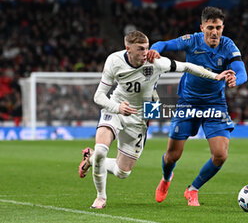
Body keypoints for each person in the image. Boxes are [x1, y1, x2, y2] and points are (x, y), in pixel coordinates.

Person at [78, 30, 235, 209]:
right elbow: (98, 96)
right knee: (101, 150)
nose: (145, 52)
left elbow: (188, 67)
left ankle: (90, 160)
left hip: (139, 117)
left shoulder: (156, 63)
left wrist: (217, 76)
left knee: (123, 172)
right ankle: (101, 198)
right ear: (127, 48)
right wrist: (117, 108)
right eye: (140, 49)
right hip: (115, 108)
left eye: (146, 48)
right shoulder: (114, 61)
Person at [147, 7, 248, 206]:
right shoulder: (192, 40)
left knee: (220, 155)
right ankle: (166, 179)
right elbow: (164, 43)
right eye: (210, 27)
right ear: (202, 28)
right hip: (188, 102)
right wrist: (155, 51)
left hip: (215, 104)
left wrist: (236, 79)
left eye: (218, 27)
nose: (214, 32)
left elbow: (241, 70)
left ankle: (192, 190)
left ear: (222, 27)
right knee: (172, 155)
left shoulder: (228, 45)